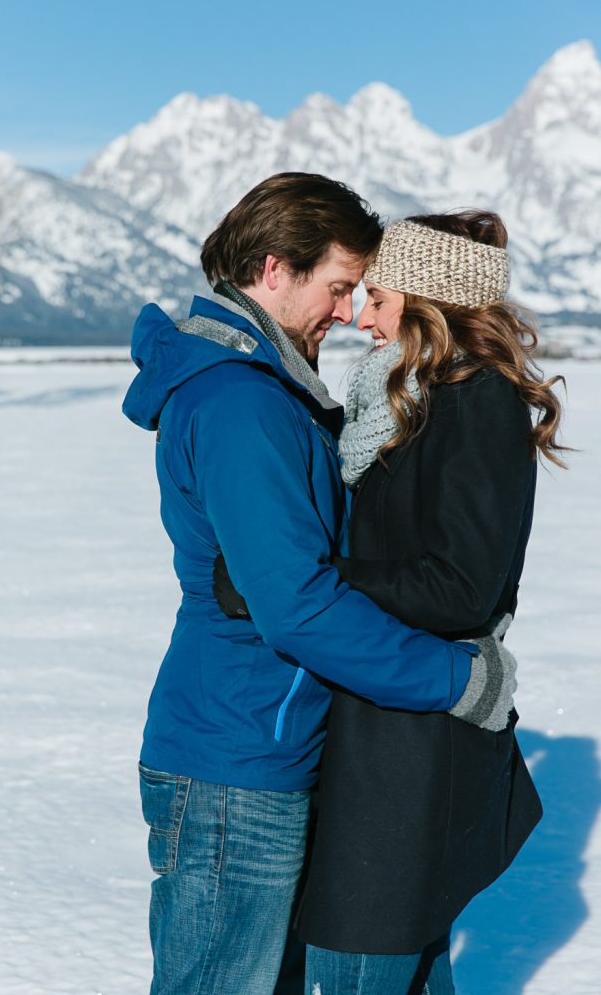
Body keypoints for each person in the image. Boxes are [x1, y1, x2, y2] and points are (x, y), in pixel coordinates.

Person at [122, 177, 515, 995]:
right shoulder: (242, 404)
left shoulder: (275, 393)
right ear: (275, 270)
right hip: (236, 754)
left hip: (271, 741)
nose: (346, 313)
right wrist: (457, 680)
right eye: (339, 288)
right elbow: (296, 606)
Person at [295, 211, 565, 994]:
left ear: (426, 301)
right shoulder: (412, 399)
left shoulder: (475, 401)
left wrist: (314, 579)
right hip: (385, 729)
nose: (356, 314)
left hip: (410, 751)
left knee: (364, 962)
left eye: (375, 296)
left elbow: (459, 586)